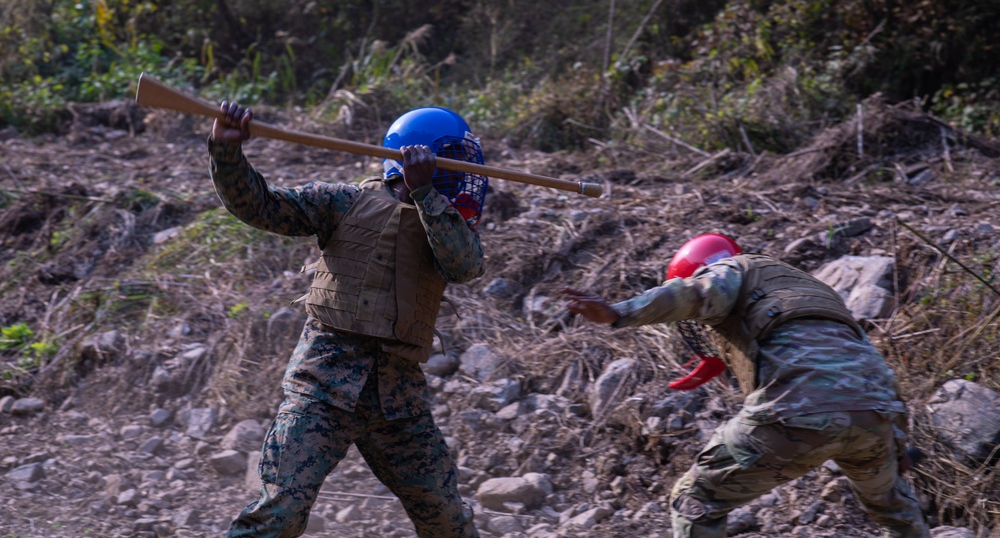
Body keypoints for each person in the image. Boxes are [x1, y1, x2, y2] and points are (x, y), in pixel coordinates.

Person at [210, 101, 489, 538]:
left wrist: (425, 194)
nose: (462, 175)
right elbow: (260, 206)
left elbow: (465, 265)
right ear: (412, 157)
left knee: (446, 518)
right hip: (322, 391)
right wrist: (227, 152)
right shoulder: (342, 202)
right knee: (279, 514)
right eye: (450, 160)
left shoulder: (445, 223)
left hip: (398, 403)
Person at [561, 233, 930, 538]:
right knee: (894, 509)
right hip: (877, 414)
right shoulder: (812, 291)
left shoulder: (730, 269)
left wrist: (619, 312)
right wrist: (895, 443)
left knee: (696, 499)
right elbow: (871, 365)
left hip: (798, 407)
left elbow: (696, 294)